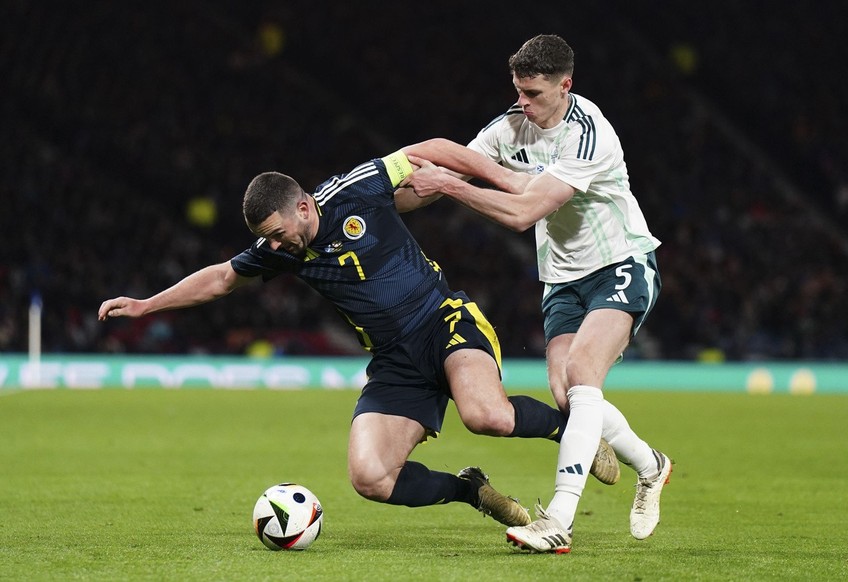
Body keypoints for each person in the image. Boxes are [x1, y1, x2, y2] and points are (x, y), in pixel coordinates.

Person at [97, 141, 620, 531]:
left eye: (277, 233)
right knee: (370, 478)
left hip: (443, 321)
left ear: (303, 207)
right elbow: (221, 279)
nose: (274, 246)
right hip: (393, 360)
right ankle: (470, 490)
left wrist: (507, 180)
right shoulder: (283, 250)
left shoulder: (357, 189)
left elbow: (430, 150)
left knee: (485, 415)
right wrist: (147, 304)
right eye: (266, 240)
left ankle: (569, 431)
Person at [403, 34, 673, 553]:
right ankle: (652, 465)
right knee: (569, 397)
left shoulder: (590, 135)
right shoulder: (510, 125)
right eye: (518, 90)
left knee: (582, 375)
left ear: (565, 84)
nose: (522, 102)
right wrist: (384, 198)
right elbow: (454, 166)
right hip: (562, 279)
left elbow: (526, 210)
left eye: (533, 93)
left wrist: (453, 186)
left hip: (619, 261)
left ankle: (559, 520)